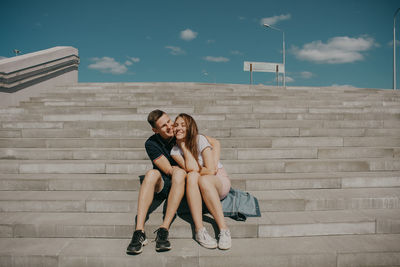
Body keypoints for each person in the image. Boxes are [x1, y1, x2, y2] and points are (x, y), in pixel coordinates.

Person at [126, 109, 187, 254]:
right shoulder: (151, 143)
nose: (169, 127)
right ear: (155, 130)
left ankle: (163, 229)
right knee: (152, 173)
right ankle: (139, 231)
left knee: (179, 172)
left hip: (183, 183)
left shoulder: (180, 134)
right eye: (163, 126)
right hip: (164, 184)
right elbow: (168, 170)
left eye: (169, 121)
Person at [171, 113, 232, 250]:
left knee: (203, 179)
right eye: (176, 125)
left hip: (218, 181)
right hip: (198, 185)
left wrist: (198, 170)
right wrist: (183, 146)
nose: (178, 128)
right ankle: (200, 231)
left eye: (183, 125)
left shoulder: (200, 139)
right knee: (192, 176)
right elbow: (192, 169)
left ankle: (224, 229)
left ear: (190, 127)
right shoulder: (175, 151)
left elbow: (211, 171)